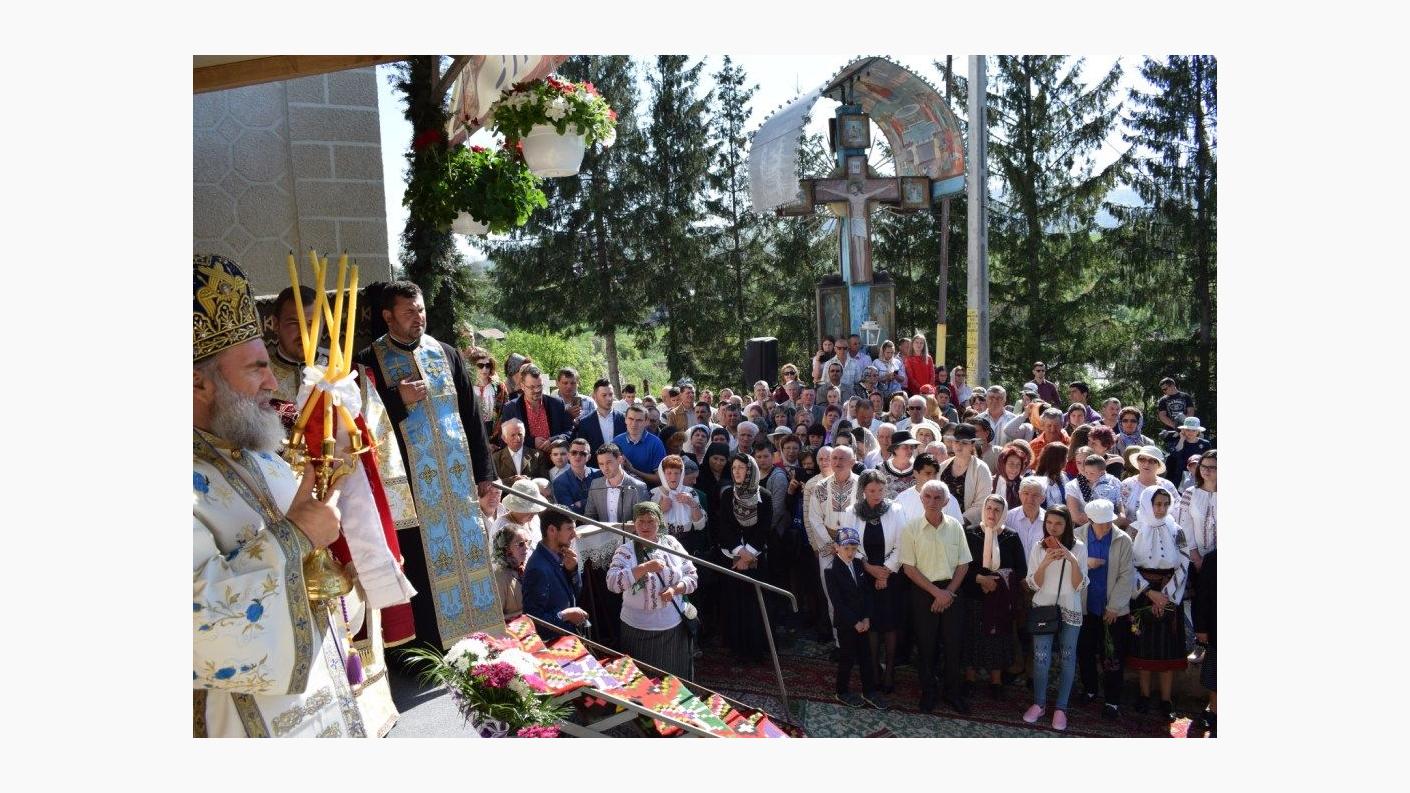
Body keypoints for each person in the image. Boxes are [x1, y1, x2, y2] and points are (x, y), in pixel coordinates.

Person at [194, 254, 372, 737]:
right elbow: (196, 617)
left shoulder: (263, 455)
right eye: (257, 369)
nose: (274, 382)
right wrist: (296, 535)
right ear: (197, 382)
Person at [354, 280, 499, 650]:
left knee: (468, 558)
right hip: (412, 492)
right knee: (421, 566)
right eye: (408, 312)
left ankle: (478, 641)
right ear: (388, 317)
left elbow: (472, 418)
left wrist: (486, 475)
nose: (418, 317)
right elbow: (361, 424)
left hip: (458, 485)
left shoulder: (446, 353)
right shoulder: (369, 361)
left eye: (420, 309)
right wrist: (396, 399)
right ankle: (431, 651)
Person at [900, 481, 973, 715]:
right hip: (924, 593)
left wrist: (948, 592)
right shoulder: (910, 528)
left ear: (946, 501)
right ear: (921, 499)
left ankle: (953, 692)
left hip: (952, 591)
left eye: (937, 497)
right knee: (926, 645)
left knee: (954, 645)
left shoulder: (956, 526)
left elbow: (963, 564)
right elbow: (909, 568)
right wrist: (936, 593)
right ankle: (928, 692)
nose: (932, 501)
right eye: (928, 496)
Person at [606, 501, 699, 679]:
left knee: (672, 678)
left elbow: (692, 576)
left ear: (659, 522)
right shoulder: (625, 551)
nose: (645, 526)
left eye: (651, 521)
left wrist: (674, 590)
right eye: (640, 521)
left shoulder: (671, 543)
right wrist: (644, 568)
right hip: (637, 629)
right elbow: (612, 583)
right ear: (634, 523)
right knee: (642, 681)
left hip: (672, 628)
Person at [1022, 505, 1087, 732]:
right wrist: (1046, 562)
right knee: (1041, 658)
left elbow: (1079, 585)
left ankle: (1061, 708)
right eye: (1049, 523)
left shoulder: (1079, 547)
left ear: (1067, 525)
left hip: (1070, 607)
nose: (1053, 528)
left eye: (1059, 523)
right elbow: (1033, 584)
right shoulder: (1038, 547)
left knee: (1068, 658)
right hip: (1043, 608)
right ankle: (1039, 704)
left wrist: (1072, 560)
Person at [1127, 486, 1189, 722]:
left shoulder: (1177, 530)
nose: (1161, 509)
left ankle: (1166, 699)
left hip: (1170, 593)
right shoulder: (1134, 529)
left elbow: (1184, 563)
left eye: (1165, 504)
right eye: (1157, 504)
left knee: (1167, 650)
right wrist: (1149, 592)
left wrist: (1166, 596)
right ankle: (1144, 695)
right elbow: (1127, 564)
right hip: (1143, 593)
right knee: (1143, 647)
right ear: (1147, 504)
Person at [1073, 499, 1134, 719]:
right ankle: (1090, 690)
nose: (1107, 526)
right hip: (1085, 608)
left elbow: (1127, 575)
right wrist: (1086, 563)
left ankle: (1112, 701)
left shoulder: (1123, 539)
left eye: (1109, 521)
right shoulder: (1076, 537)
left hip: (1112, 611)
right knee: (1085, 652)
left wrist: (1115, 606)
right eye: (1102, 523)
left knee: (1113, 658)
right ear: (1090, 520)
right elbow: (1070, 566)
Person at [962, 494, 1027, 699]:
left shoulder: (1011, 536)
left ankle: (996, 682)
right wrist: (980, 579)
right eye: (989, 508)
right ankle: (969, 679)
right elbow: (961, 565)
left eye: (997, 510)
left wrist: (997, 580)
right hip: (974, 595)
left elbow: (1021, 569)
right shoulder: (970, 533)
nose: (992, 513)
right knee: (971, 635)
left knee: (997, 637)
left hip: (1000, 599)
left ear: (1003, 513)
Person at [713, 452, 774, 663]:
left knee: (755, 605)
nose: (737, 472)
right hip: (732, 556)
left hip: (756, 558)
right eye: (734, 468)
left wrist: (748, 555)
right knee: (734, 603)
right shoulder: (727, 495)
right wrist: (740, 552)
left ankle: (755, 649)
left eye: (742, 467)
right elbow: (724, 527)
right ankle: (736, 647)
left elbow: (764, 528)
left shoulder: (764, 495)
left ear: (751, 470)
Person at [852, 470, 909, 695]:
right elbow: (850, 544)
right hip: (866, 576)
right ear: (863, 490)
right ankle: (874, 670)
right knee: (872, 624)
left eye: (881, 490)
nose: (877, 495)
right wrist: (869, 568)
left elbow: (903, 543)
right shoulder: (853, 511)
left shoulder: (896, 510)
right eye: (872, 490)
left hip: (891, 577)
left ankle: (890, 671)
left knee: (890, 625)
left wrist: (885, 572)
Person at [825, 527, 885, 709]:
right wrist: (854, 622)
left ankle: (869, 691)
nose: (850, 553)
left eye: (854, 548)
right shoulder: (831, 570)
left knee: (866, 656)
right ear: (837, 547)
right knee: (847, 658)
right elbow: (837, 602)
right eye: (846, 548)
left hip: (862, 622)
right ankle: (841, 691)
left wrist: (866, 617)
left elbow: (866, 593)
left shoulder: (858, 564)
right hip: (846, 624)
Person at [522, 510, 588, 638]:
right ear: (552, 530)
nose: (574, 534)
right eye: (569, 529)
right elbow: (533, 620)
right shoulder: (537, 569)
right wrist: (564, 615)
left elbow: (577, 593)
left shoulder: (562, 556)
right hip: (554, 642)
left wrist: (572, 571)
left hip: (568, 638)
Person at [500, 364, 574, 452]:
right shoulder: (511, 408)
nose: (537, 390)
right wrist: (532, 442)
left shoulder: (557, 404)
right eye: (532, 387)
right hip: (525, 458)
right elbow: (505, 438)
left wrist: (554, 440)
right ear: (522, 386)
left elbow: (569, 431)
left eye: (539, 386)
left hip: (554, 457)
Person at [935, 424, 994, 525]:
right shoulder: (942, 467)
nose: (959, 446)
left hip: (967, 526)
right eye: (956, 441)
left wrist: (960, 521)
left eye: (964, 443)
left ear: (972, 445)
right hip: (940, 522)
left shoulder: (981, 469)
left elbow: (981, 503)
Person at [653, 454, 708, 558]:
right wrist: (660, 509)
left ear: (682, 474)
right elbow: (647, 523)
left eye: (676, 473)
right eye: (669, 473)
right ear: (662, 474)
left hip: (687, 544)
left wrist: (692, 504)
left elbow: (700, 525)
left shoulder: (690, 492)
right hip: (661, 544)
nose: (673, 477)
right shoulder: (654, 494)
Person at [1117, 445, 1175, 530]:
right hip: (1129, 534)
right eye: (1142, 459)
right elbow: (1119, 512)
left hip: (1159, 534)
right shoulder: (1127, 484)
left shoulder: (1167, 486)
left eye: (1152, 461)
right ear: (1138, 461)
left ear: (1158, 465)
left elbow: (1176, 513)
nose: (1146, 464)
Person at [1191, 547, 1217, 737]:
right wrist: (1201, 628)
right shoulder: (1213, 559)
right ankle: (1214, 711)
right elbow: (1202, 596)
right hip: (1217, 627)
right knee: (1216, 673)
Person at [613, 404, 668, 487]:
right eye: (631, 419)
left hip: (648, 492)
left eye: (639, 420)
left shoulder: (656, 443)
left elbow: (661, 479)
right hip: (621, 491)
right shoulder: (616, 441)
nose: (634, 424)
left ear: (646, 422)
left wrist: (633, 470)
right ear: (625, 420)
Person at [1066, 453, 1124, 526]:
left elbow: (1119, 504)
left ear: (1102, 472)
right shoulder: (1073, 485)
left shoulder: (1112, 483)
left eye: (1092, 473)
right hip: (1090, 524)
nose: (1088, 476)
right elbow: (1077, 517)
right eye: (1086, 472)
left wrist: (1120, 517)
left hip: (1111, 520)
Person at [573, 378, 627, 456]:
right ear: (594, 396)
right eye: (604, 395)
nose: (609, 398)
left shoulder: (623, 419)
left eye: (611, 394)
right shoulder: (585, 423)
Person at [492, 524, 533, 620]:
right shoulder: (499, 577)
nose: (526, 547)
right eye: (520, 544)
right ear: (507, 549)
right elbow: (496, 619)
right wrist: (524, 615)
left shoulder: (526, 567)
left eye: (527, 542)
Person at [551, 438, 600, 515]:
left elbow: (606, 501)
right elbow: (569, 511)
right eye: (574, 452)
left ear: (589, 457)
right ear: (568, 455)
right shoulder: (559, 482)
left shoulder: (599, 474)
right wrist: (595, 501)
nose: (578, 456)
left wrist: (580, 503)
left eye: (583, 453)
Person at [493, 418, 547, 482]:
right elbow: (494, 483)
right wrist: (512, 480)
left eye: (520, 434)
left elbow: (546, 482)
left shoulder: (537, 456)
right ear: (504, 438)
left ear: (524, 436)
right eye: (513, 435)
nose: (517, 438)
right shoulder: (496, 458)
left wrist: (528, 480)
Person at [1165, 417, 1213, 481]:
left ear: (1198, 431)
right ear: (1183, 430)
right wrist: (1182, 439)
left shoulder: (1205, 444)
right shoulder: (1176, 442)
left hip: (1199, 475)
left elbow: (1209, 461)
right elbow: (1174, 456)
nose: (1190, 432)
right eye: (1188, 430)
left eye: (1194, 430)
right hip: (1178, 476)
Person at [992, 445, 1031, 513]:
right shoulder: (991, 482)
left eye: (1018, 464)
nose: (1015, 468)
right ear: (1002, 464)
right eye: (1011, 463)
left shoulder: (1024, 485)